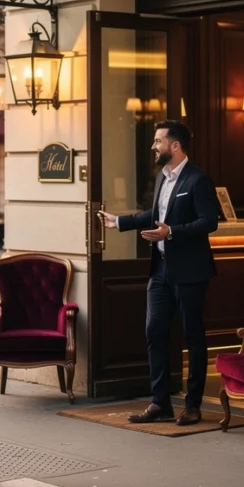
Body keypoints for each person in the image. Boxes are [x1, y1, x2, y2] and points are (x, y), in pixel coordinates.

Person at [99, 120, 219, 426]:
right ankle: (160, 403)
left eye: (157, 141)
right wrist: (121, 223)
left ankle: (192, 406)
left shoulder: (198, 180)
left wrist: (171, 232)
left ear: (174, 146)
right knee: (154, 332)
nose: (153, 146)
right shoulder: (162, 178)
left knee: (193, 338)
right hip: (161, 271)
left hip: (191, 271)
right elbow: (157, 216)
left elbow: (209, 222)